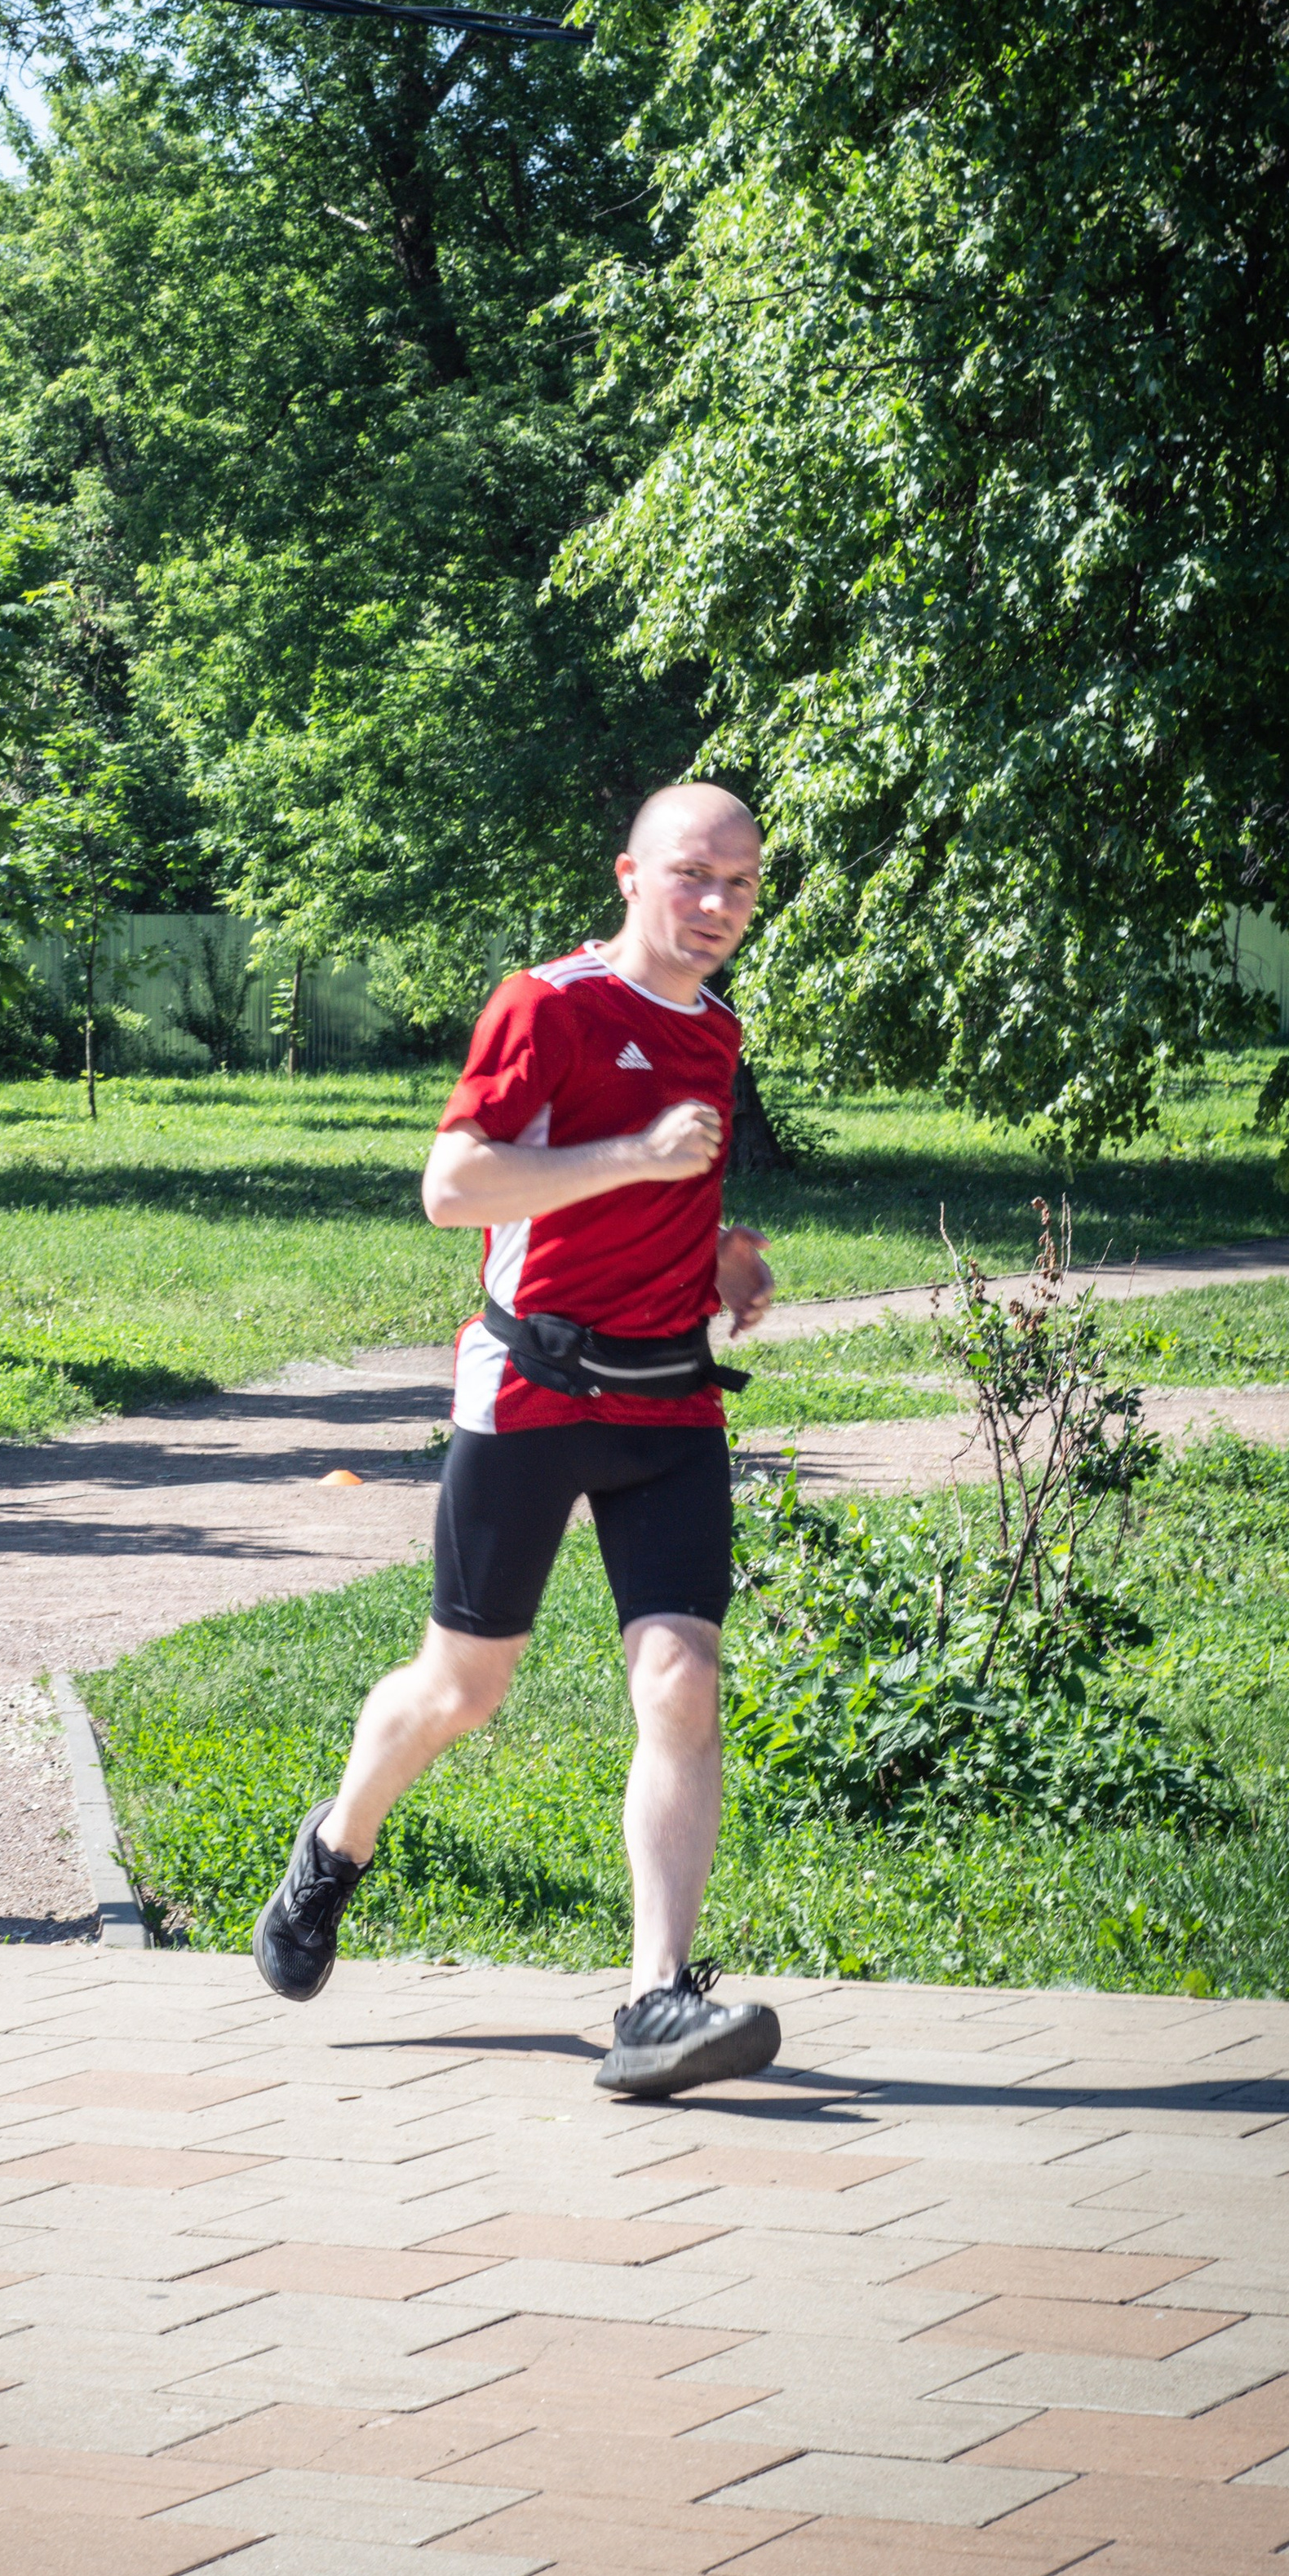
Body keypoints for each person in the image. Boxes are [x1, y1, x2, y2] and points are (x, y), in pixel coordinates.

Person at [252, 783, 781, 2098]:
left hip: (669, 1398)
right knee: (464, 1690)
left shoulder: (717, 1027)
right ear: (629, 873)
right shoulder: (547, 1005)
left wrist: (719, 1248)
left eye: (741, 884)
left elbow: (673, 1172)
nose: (716, 905)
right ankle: (335, 1846)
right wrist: (637, 1158)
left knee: (682, 1684)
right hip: (535, 1389)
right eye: (692, 876)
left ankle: (658, 1999)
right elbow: (455, 1188)